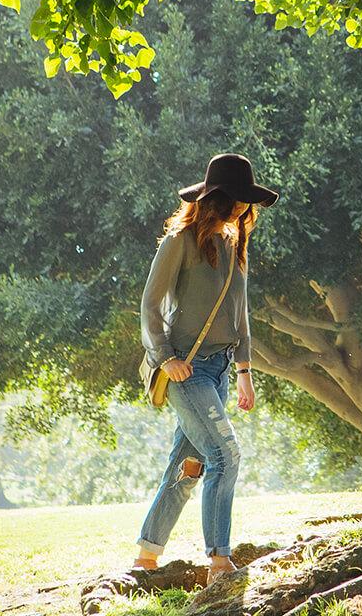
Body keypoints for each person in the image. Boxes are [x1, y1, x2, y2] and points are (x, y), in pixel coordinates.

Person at [133, 153, 279, 584]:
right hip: (185, 368)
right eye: (238, 199)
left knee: (188, 464)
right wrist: (165, 357)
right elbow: (149, 305)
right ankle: (219, 561)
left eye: (246, 203)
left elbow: (241, 314)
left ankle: (146, 555)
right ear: (218, 197)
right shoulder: (180, 241)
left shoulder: (235, 246)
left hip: (217, 371)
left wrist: (245, 371)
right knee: (224, 454)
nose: (243, 208)